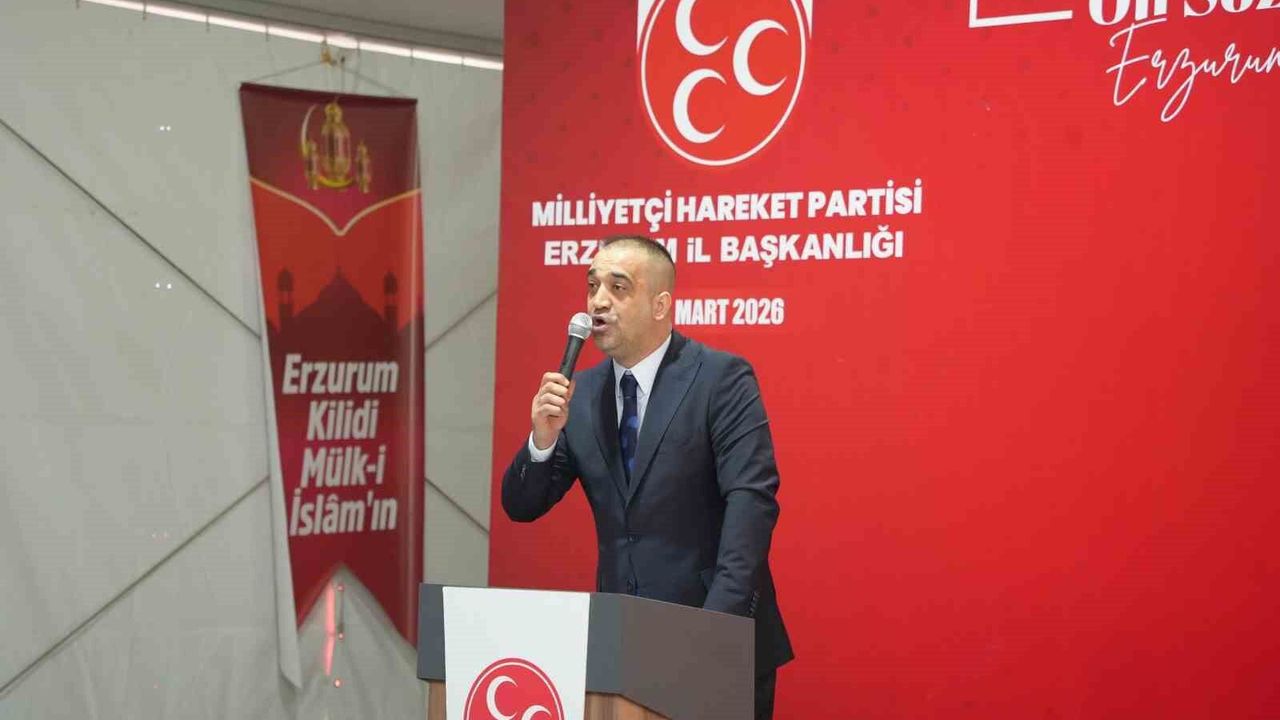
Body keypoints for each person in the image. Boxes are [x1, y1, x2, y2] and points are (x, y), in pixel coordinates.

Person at [501, 235, 793, 719]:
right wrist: (542, 439)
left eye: (618, 288)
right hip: (622, 650)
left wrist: (712, 632)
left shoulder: (720, 378)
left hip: (714, 639)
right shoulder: (581, 393)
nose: (598, 301)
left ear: (661, 305)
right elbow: (522, 505)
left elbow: (752, 504)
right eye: (592, 286)